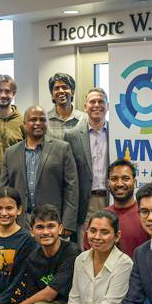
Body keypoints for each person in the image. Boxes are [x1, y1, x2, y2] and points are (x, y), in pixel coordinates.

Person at [0, 106, 79, 234]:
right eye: (33, 119)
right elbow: (4, 189)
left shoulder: (62, 149)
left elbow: (72, 188)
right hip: (18, 222)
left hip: (51, 223)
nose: (38, 123)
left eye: (42, 120)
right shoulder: (10, 153)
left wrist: (68, 223)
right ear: (24, 124)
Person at [65, 87, 109, 240]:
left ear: (107, 106)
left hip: (110, 199)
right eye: (92, 102)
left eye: (101, 101)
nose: (96, 105)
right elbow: (68, 178)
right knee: (85, 248)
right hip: (86, 203)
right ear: (85, 107)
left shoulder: (117, 133)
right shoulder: (72, 136)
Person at [95, 159, 148, 255]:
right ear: (108, 183)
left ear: (134, 182)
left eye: (125, 178)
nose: (119, 184)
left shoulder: (147, 215)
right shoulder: (99, 218)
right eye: (114, 179)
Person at [45, 72, 87, 138]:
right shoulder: (44, 120)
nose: (61, 91)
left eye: (65, 87)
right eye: (56, 88)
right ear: (52, 94)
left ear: (72, 92)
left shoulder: (84, 119)